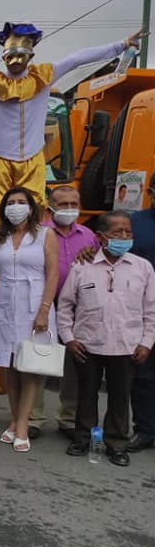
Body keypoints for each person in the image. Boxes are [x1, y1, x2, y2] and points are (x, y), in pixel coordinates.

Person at [0, 25, 143, 228]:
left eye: (20, 56)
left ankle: (32, 246)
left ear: (30, 56)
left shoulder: (44, 75)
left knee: (34, 207)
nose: (15, 61)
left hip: (32, 158)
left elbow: (77, 59)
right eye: (10, 56)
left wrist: (122, 44)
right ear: (3, 57)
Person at [58, 210, 155, 467]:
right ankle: (82, 438)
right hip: (87, 344)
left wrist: (146, 343)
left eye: (128, 232)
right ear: (101, 237)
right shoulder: (82, 266)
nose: (123, 236)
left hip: (127, 345)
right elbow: (65, 306)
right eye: (117, 232)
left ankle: (117, 443)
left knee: (120, 397)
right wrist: (69, 338)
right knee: (86, 394)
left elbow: (151, 310)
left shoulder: (142, 268)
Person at [0, 187, 59, 453]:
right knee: (10, 364)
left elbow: (52, 274)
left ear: (31, 208)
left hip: (34, 304)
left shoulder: (44, 234)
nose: (15, 206)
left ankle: (22, 426)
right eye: (11, 202)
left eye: (21, 202)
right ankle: (14, 418)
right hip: (6, 304)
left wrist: (44, 310)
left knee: (29, 366)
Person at [30, 186, 99, 437]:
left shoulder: (88, 235)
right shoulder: (38, 233)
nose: (69, 209)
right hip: (45, 304)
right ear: (51, 207)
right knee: (38, 360)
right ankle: (33, 418)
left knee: (74, 363)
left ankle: (68, 418)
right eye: (63, 204)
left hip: (78, 308)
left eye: (74, 204)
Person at [127, 174, 155, 452]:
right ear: (150, 192)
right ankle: (145, 430)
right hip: (141, 310)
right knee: (143, 375)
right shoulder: (135, 223)